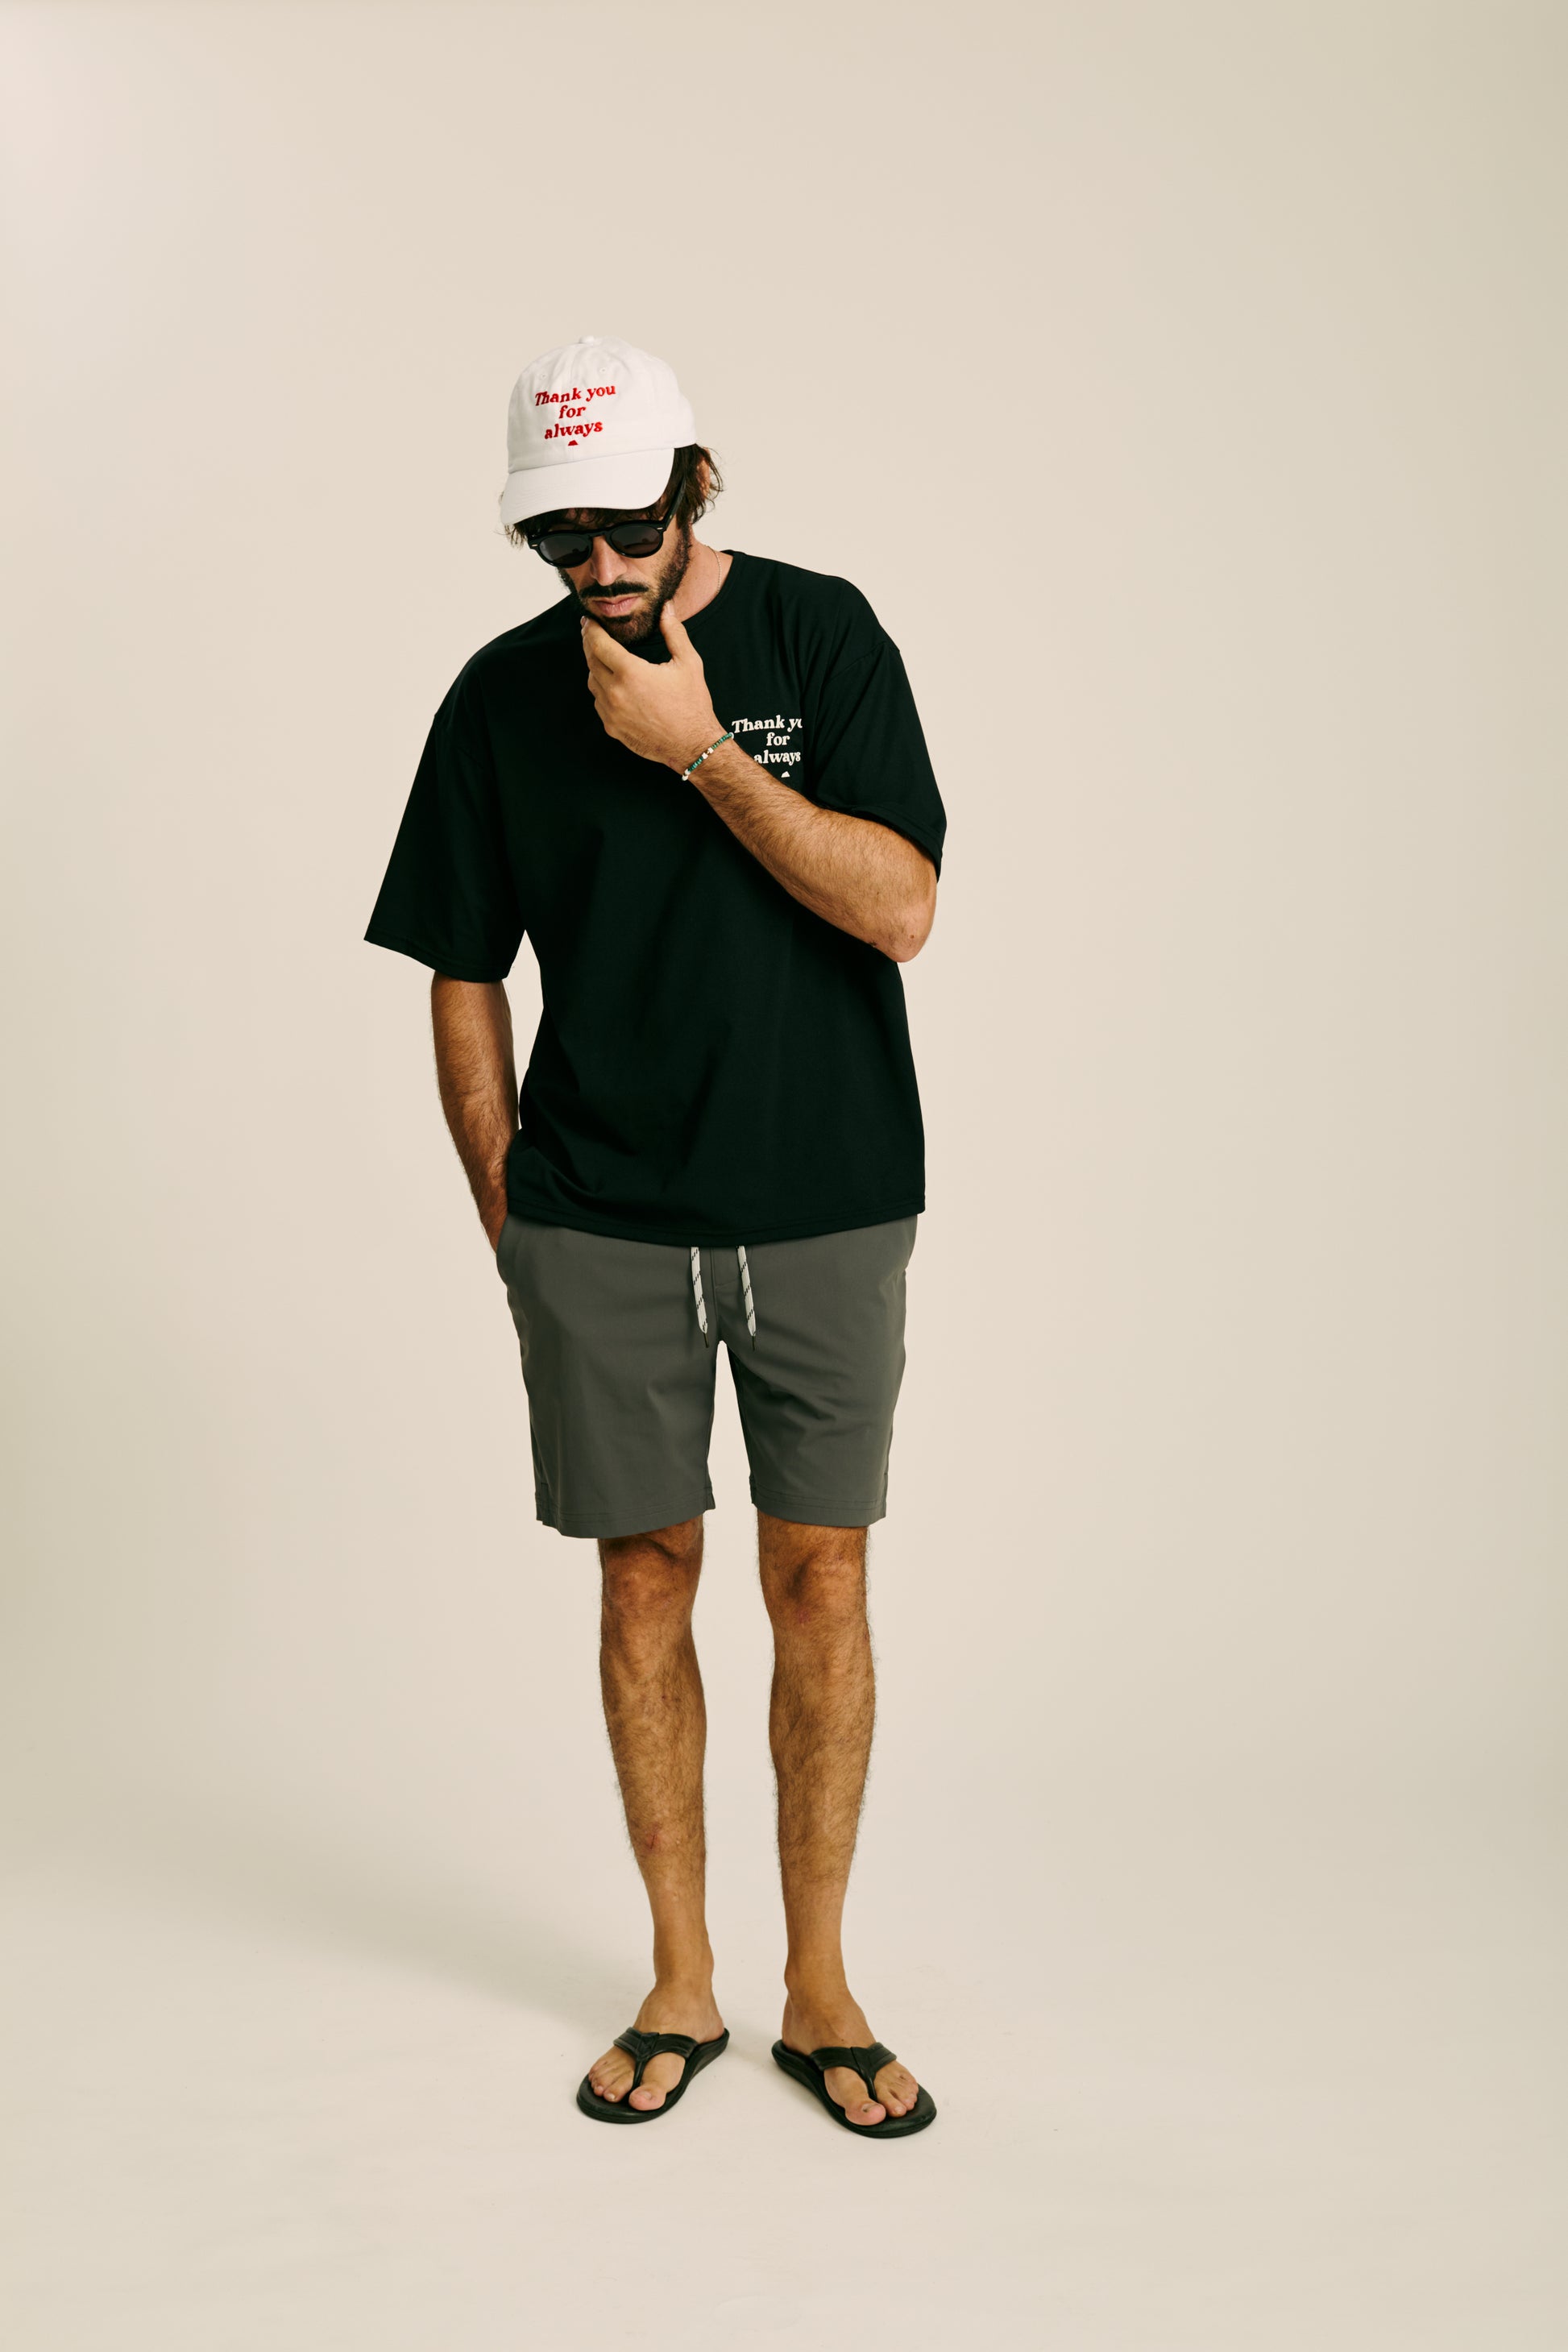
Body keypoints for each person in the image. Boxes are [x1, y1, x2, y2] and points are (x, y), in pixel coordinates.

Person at [365, 336, 946, 2137]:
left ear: (696, 485)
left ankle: (819, 1984)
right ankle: (680, 1974)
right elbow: (460, 963)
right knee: (641, 1577)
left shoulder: (820, 636)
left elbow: (901, 907)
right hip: (598, 1221)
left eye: (626, 525)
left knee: (821, 1579)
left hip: (826, 1192)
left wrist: (699, 753)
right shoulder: (496, 696)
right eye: (559, 538)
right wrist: (508, 1207)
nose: (598, 566)